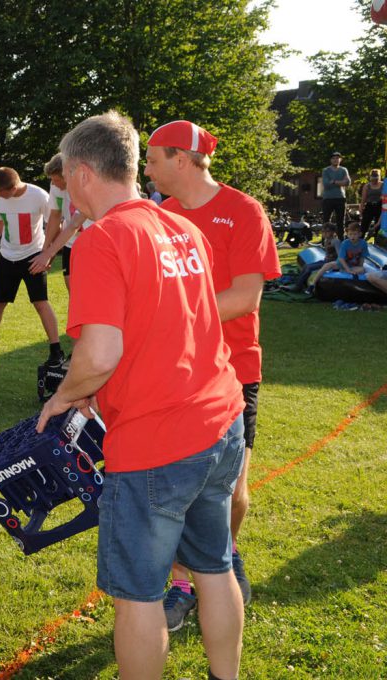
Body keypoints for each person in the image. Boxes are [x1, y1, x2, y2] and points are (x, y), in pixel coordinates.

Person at [40, 110, 246, 680]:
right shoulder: (183, 227)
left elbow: (99, 354)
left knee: (138, 594)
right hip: (220, 421)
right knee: (214, 567)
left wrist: (65, 395)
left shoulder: (103, 238)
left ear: (82, 173)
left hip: (159, 441)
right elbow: (169, 324)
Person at [145, 119, 281, 628]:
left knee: (233, 491)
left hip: (235, 371)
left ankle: (224, 557)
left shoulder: (243, 211)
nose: (147, 168)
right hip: (178, 370)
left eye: (154, 158)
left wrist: (174, 317)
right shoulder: (163, 215)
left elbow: (246, 296)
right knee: (178, 487)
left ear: (182, 159)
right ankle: (185, 582)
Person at [0, 167, 64, 368]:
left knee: (40, 303)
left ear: (13, 188)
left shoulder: (39, 196)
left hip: (32, 257)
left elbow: (56, 224)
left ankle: (56, 350)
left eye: (3, 193)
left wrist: (47, 254)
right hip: (7, 256)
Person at [40, 153, 90, 293]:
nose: (53, 183)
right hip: (70, 243)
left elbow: (74, 224)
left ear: (68, 175)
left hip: (90, 241)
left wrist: (49, 253)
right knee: (72, 289)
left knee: (90, 290)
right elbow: (55, 216)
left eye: (56, 179)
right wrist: (45, 249)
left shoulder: (86, 186)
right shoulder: (55, 187)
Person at [286, 223, 339, 294]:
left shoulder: (335, 241)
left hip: (330, 263)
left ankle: (298, 286)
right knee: (306, 266)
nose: (325, 233)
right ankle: (299, 284)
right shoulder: (326, 240)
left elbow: (340, 254)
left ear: (333, 232)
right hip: (325, 261)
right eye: (323, 232)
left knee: (309, 268)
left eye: (327, 232)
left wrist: (336, 266)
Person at [322, 152, 351, 239]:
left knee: (340, 220)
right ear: (331, 160)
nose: (335, 160)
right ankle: (325, 240)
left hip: (340, 198)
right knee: (326, 220)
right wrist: (341, 182)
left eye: (337, 158)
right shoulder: (326, 170)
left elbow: (348, 183)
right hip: (328, 198)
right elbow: (326, 184)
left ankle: (341, 239)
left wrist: (334, 181)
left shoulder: (344, 170)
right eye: (333, 158)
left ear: (340, 160)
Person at [360, 169, 383, 240]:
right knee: (364, 225)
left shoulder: (384, 185)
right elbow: (363, 199)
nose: (374, 180)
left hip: (380, 205)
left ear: (379, 176)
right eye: (373, 177)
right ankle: (361, 240)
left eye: (376, 177)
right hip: (369, 205)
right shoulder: (367, 186)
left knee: (379, 226)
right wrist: (361, 209)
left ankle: (378, 241)